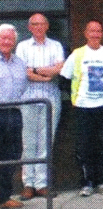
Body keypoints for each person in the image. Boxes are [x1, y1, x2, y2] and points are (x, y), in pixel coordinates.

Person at [59, 20, 103, 197]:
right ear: (85, 33)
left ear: (102, 34)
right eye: (91, 31)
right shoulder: (77, 54)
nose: (95, 34)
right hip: (83, 108)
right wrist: (79, 97)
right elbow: (63, 80)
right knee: (84, 146)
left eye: (98, 31)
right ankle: (86, 183)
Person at [15, 13, 64, 200]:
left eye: (41, 24)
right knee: (28, 142)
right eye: (34, 24)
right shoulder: (22, 46)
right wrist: (43, 73)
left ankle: (42, 184)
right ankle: (28, 184)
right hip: (27, 98)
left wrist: (34, 70)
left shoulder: (56, 45)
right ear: (29, 27)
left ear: (47, 26)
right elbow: (22, 72)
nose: (38, 27)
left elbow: (59, 68)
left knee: (46, 141)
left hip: (50, 98)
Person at [0, 23, 27, 209]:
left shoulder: (19, 62)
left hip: (14, 113)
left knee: (12, 155)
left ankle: (4, 197)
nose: (7, 41)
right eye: (3, 37)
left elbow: (22, 87)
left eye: (10, 38)